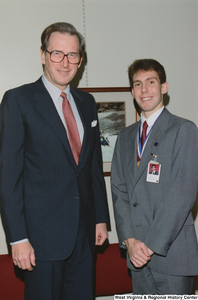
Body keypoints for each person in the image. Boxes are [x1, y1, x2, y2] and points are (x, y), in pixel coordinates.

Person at [0, 22, 109, 300]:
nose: (65, 62)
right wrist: (18, 238)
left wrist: (99, 220)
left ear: (80, 61)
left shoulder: (87, 103)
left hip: (84, 235)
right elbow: (8, 176)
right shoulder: (18, 100)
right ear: (42, 55)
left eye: (72, 55)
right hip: (40, 240)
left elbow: (92, 168)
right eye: (57, 53)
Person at [111, 58, 198, 295]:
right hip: (136, 256)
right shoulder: (125, 137)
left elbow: (183, 193)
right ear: (132, 91)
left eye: (151, 82)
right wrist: (130, 240)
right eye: (138, 84)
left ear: (164, 87)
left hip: (172, 255)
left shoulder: (184, 129)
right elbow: (119, 192)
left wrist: (149, 246)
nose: (144, 89)